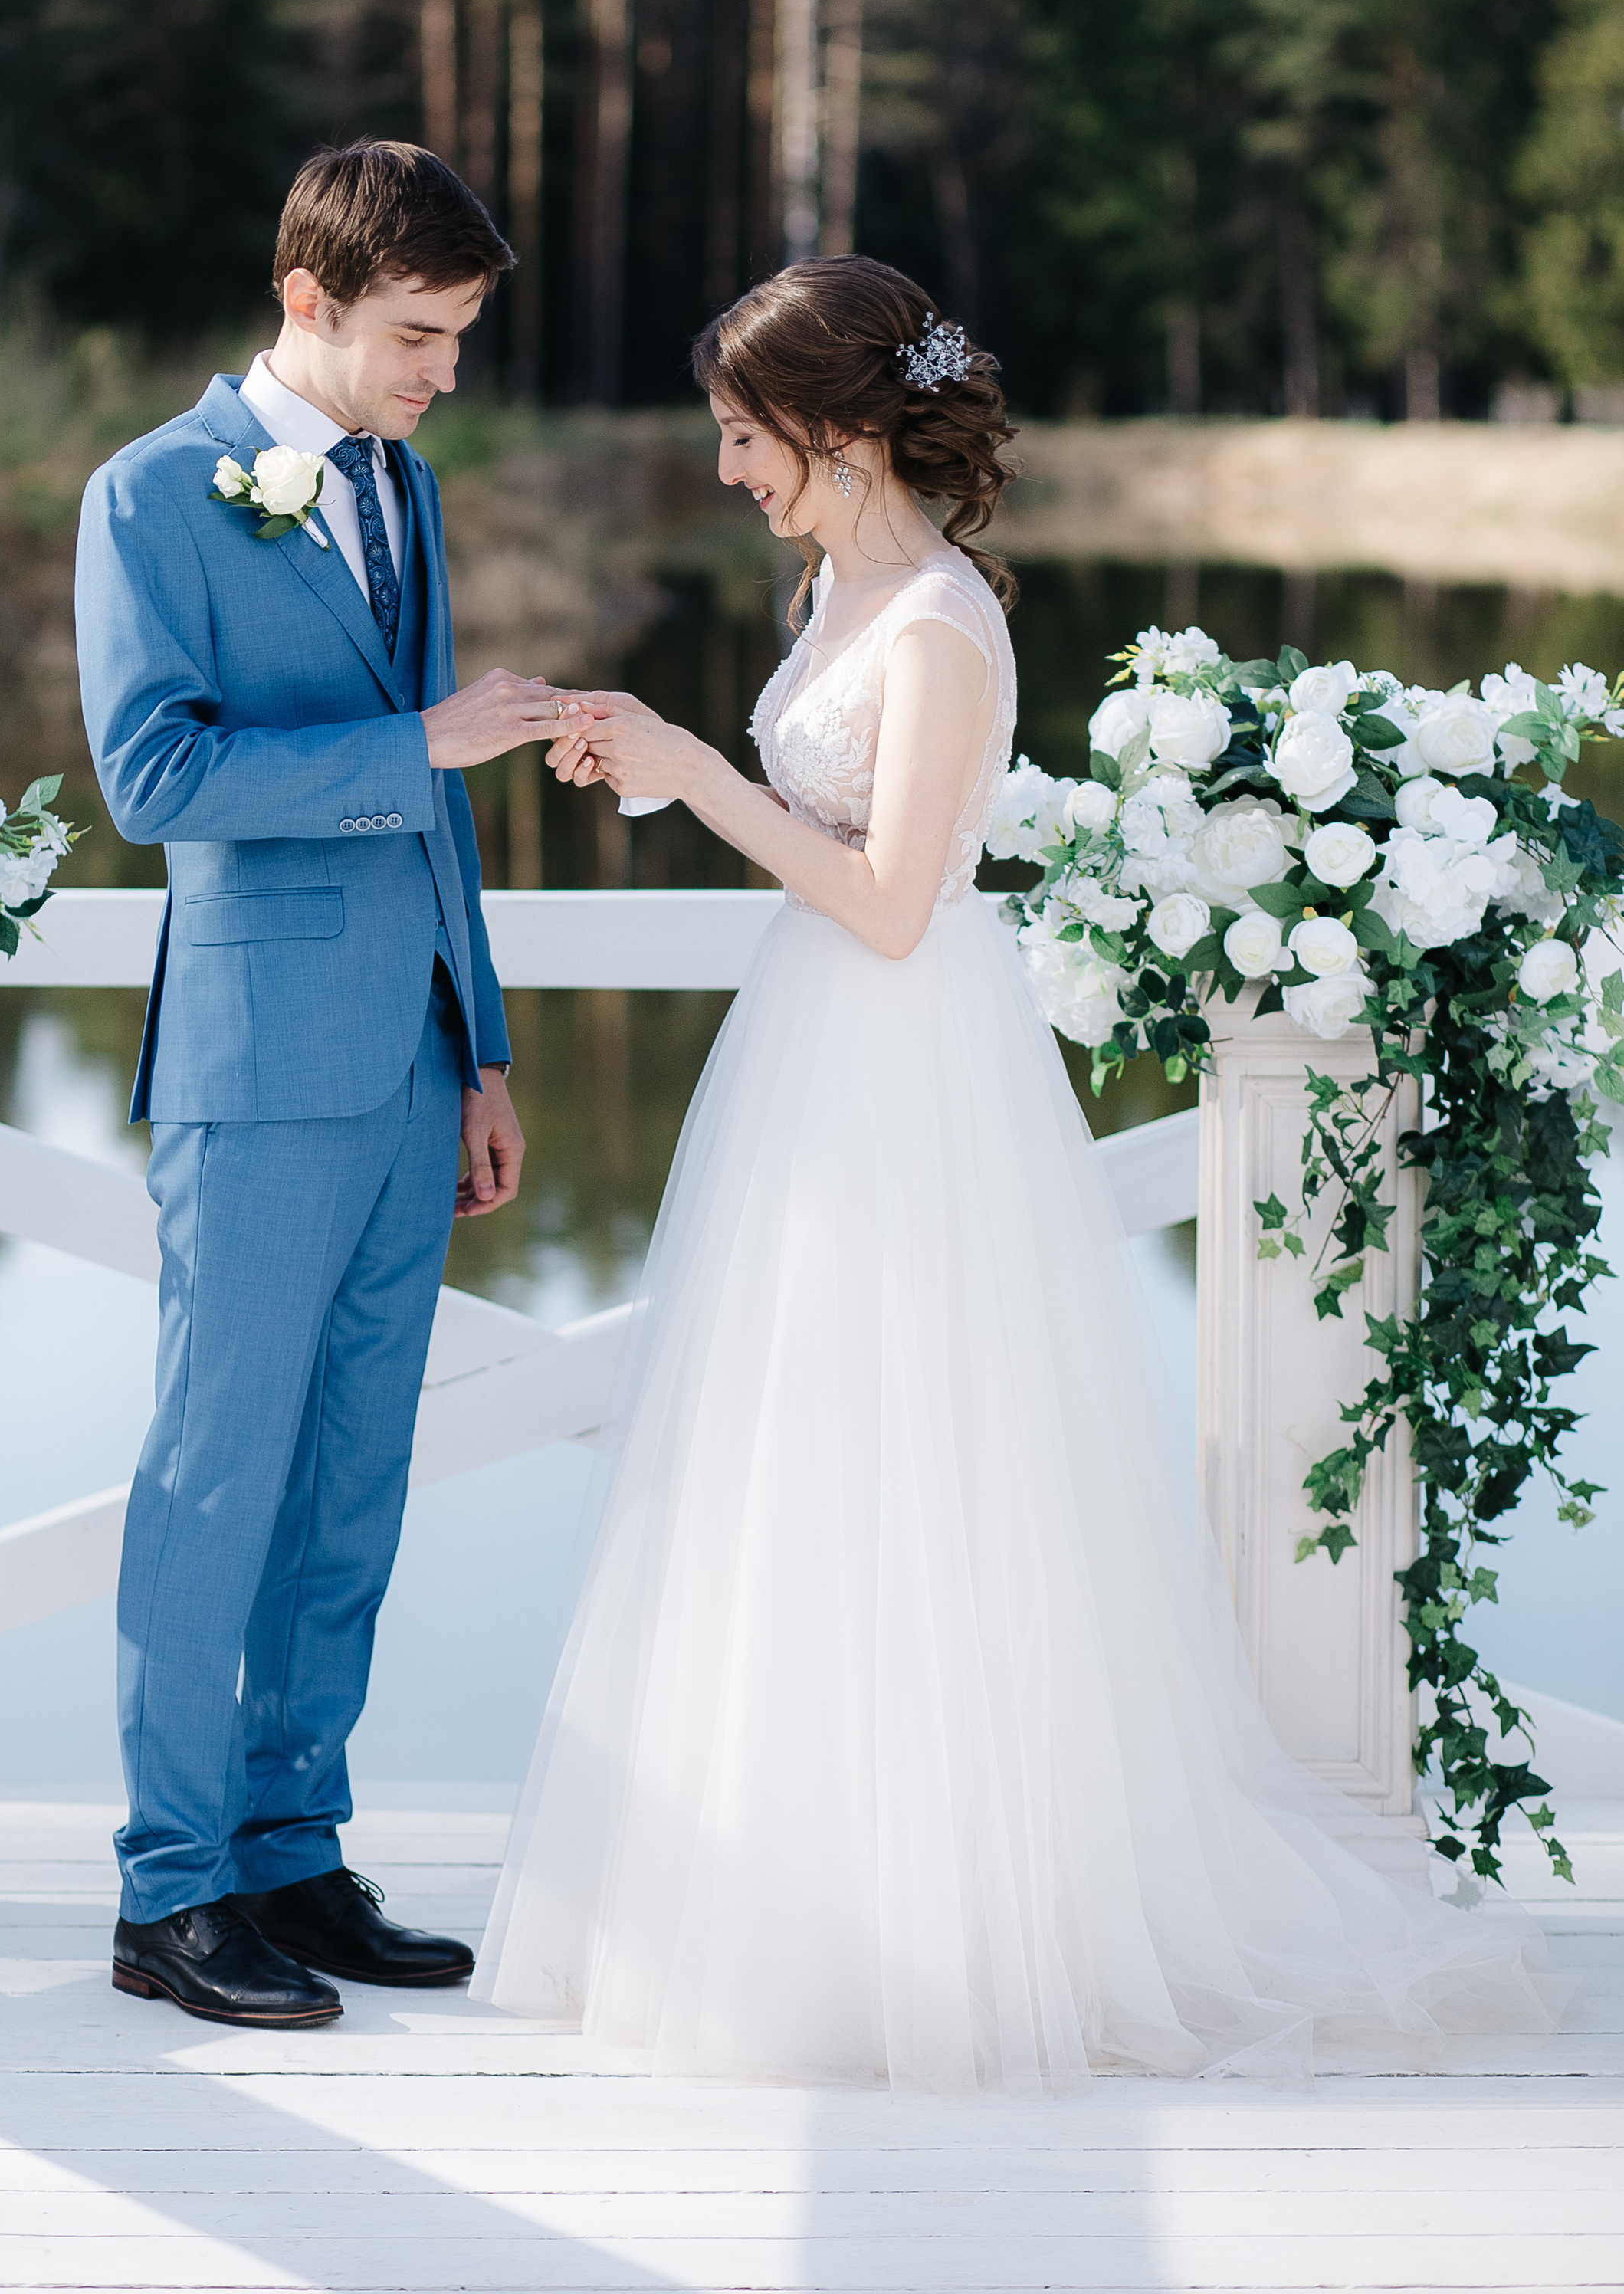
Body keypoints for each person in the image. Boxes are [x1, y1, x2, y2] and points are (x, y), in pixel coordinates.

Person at [472, 254, 1559, 2093]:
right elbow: (824, 820)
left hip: (902, 1063)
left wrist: (686, 765)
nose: (728, 471)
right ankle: (787, 1900)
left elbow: (897, 904)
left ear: (830, 427)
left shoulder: (941, 627)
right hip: (805, 1057)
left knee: (923, 1465)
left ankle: (953, 1929)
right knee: (787, 1460)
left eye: (743, 438)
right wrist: (656, 775)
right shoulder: (837, 584)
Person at [77, 140, 581, 2029]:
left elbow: (436, 804)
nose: (439, 371)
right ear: (307, 298)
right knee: (215, 1480)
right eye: (416, 335)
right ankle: (167, 1892)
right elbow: (153, 785)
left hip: (409, 1067)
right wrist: (416, 736)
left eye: (454, 339)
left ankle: (292, 1853)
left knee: (352, 1478)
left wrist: (489, 1050)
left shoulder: (404, 487)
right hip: (256, 1063)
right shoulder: (147, 495)